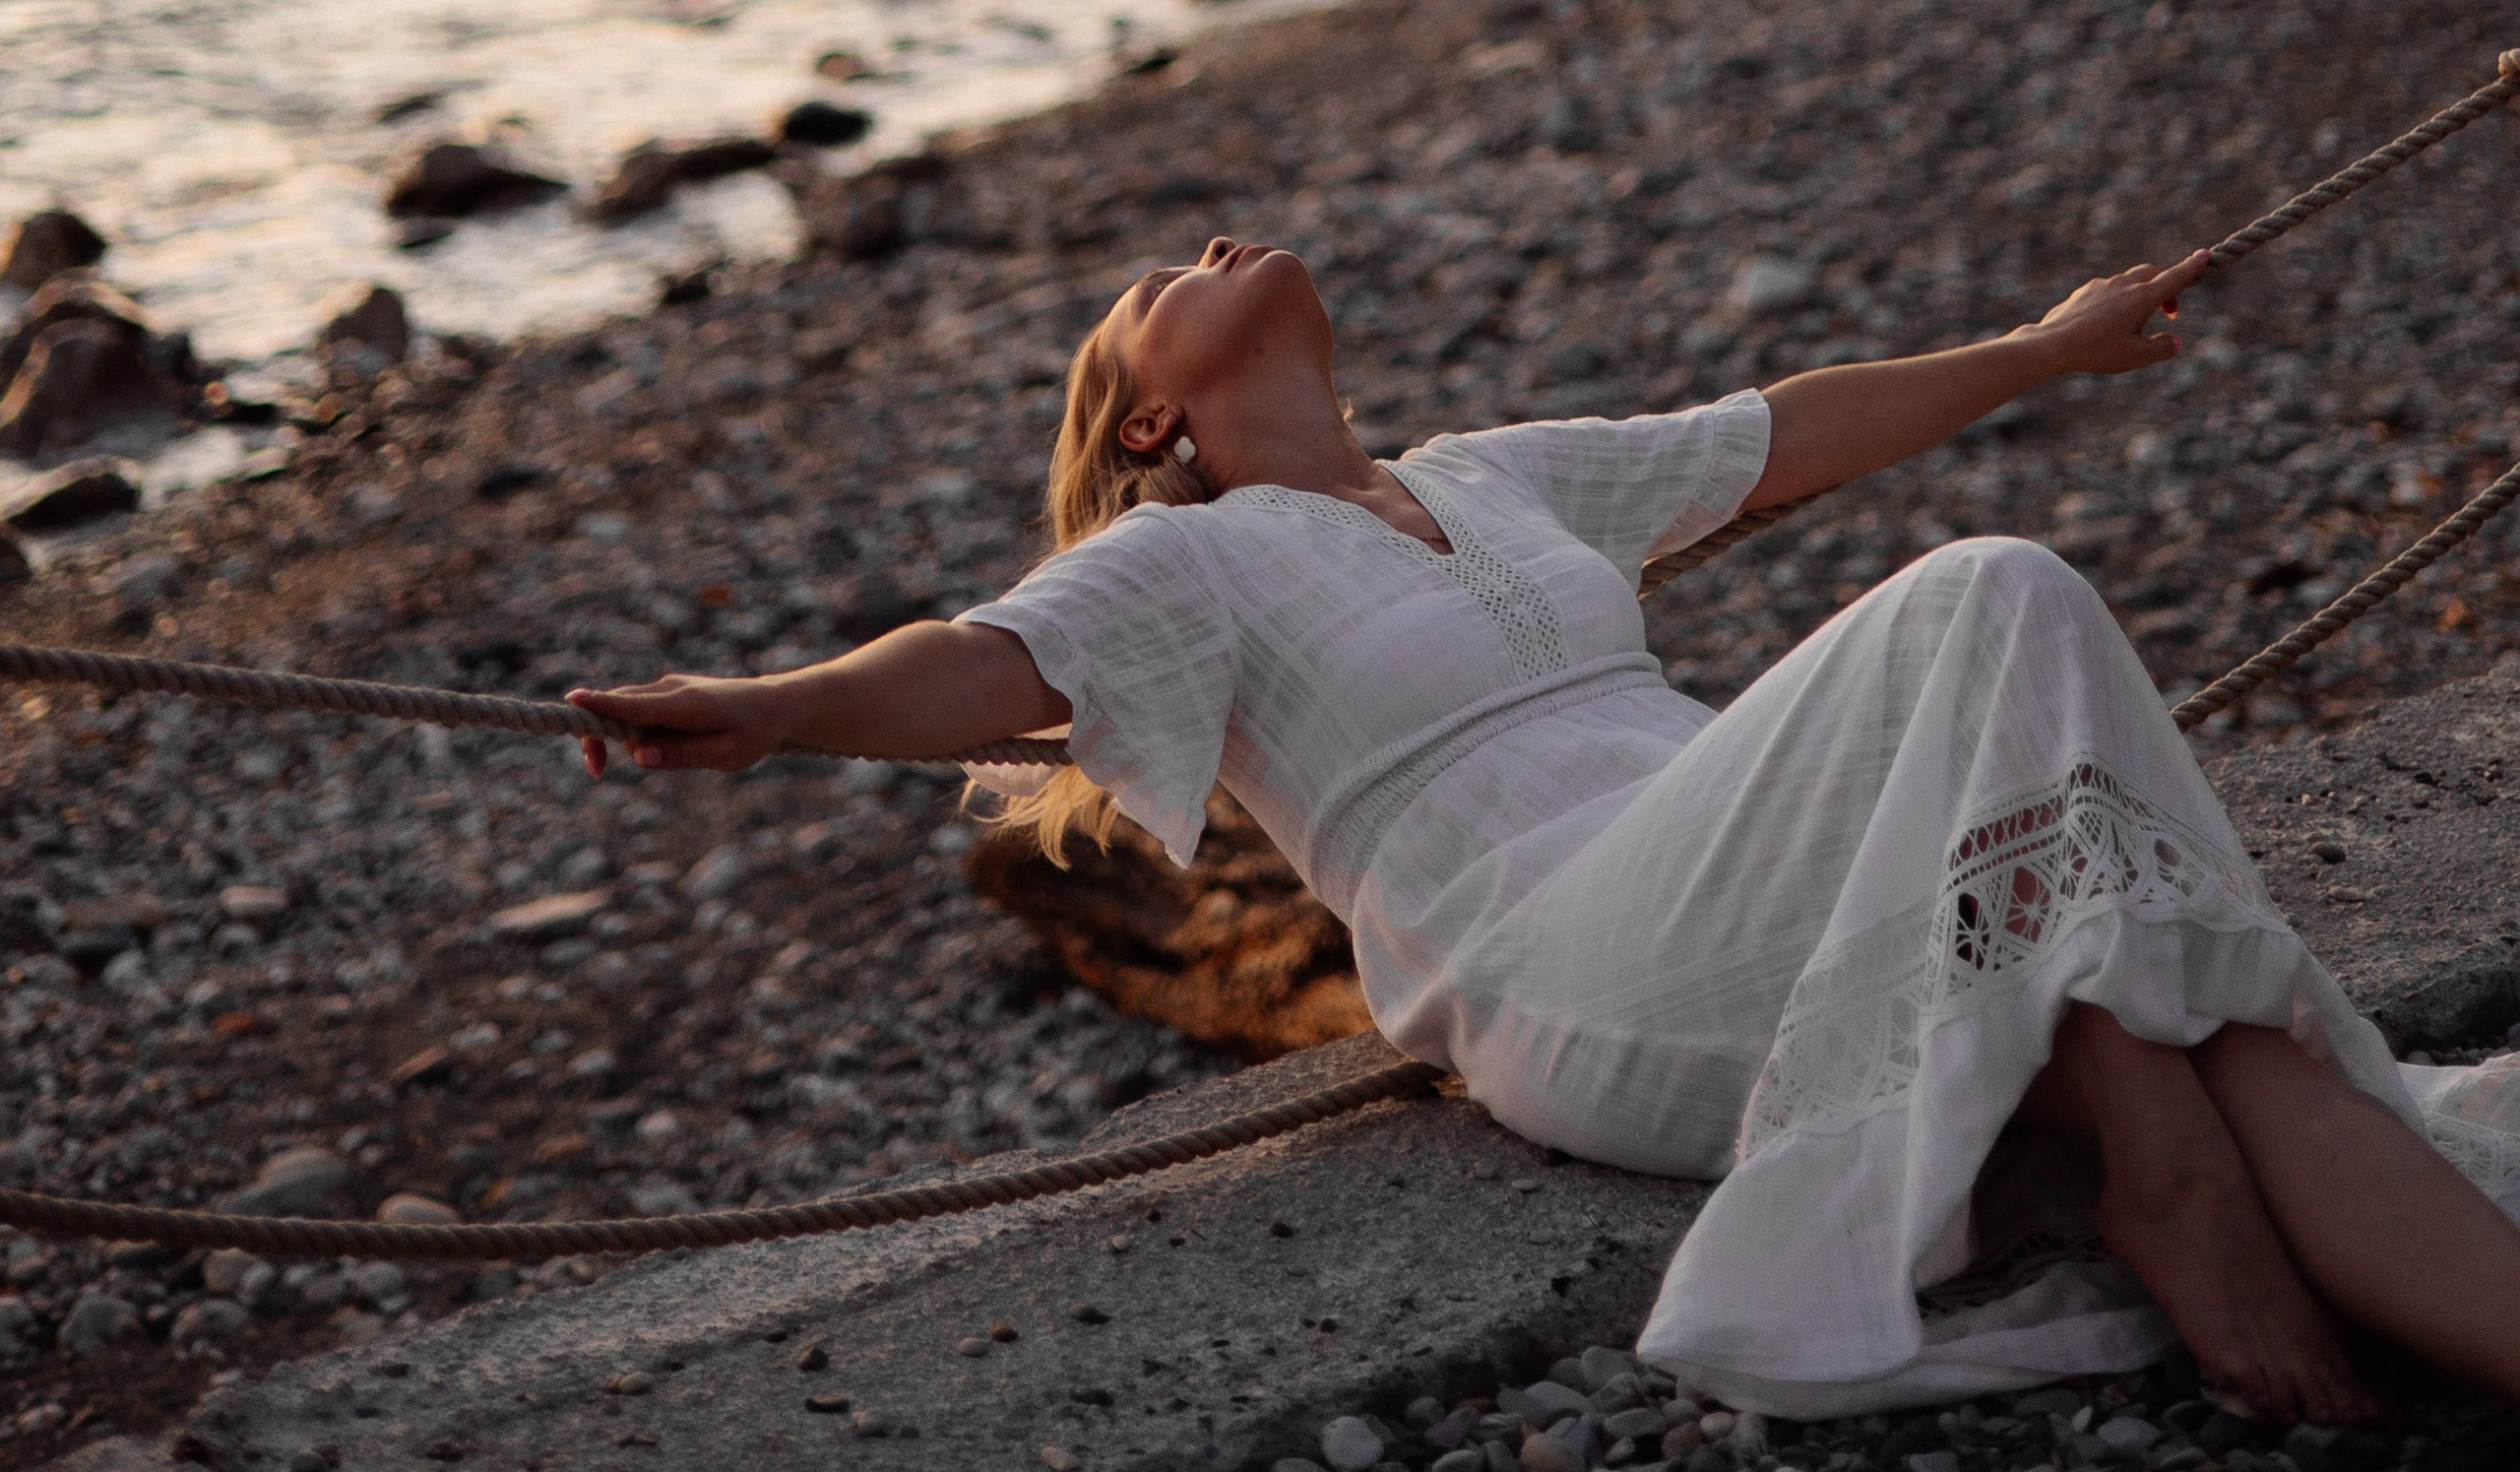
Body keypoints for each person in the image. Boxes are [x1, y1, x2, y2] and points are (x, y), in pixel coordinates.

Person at [568, 238, 2520, 1421]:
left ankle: (2193, 1178)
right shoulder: (1180, 564)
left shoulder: (1492, 475)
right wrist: (778, 708)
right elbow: (971, 663)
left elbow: (1780, 429)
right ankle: (2162, 1174)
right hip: (1562, 959)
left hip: (1726, 869)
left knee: (2232, 1040)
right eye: (1155, 287)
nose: (1205, 248)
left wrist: (2044, 348)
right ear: (1151, 425)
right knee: (1993, 596)